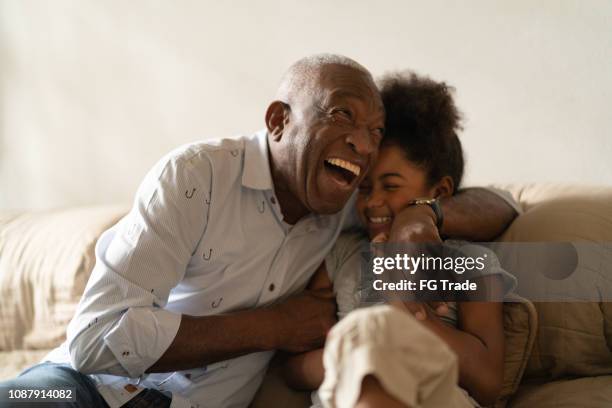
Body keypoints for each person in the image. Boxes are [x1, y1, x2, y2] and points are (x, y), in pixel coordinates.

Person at [0, 55, 518, 408]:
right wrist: (273, 327)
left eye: (375, 132)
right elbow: (94, 338)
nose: (362, 145)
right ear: (278, 120)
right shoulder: (195, 176)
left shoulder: (351, 207)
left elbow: (505, 203)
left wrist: (421, 218)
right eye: (342, 114)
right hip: (79, 387)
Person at [284, 71, 518, 408]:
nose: (373, 201)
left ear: (439, 193)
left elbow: (487, 383)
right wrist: (358, 352)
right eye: (364, 187)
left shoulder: (469, 262)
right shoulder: (340, 254)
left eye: (391, 186)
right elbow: (292, 368)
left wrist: (405, 309)